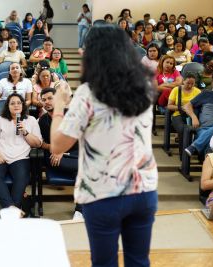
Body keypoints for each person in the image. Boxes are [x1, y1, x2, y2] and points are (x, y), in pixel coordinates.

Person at [50, 26, 158, 267]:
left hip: (103, 192)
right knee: (139, 261)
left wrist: (59, 104)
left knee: (104, 263)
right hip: (144, 189)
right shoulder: (145, 87)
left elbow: (57, 144)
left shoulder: (89, 93)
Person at [0, 93, 42, 214]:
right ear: (8, 106)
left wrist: (25, 132)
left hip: (20, 157)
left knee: (22, 178)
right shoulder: (0, 120)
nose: (16, 105)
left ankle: (11, 210)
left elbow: (37, 143)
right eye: (12, 103)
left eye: (19, 102)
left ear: (23, 105)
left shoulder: (31, 120)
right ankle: (13, 209)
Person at [38, 87, 81, 216]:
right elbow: (44, 144)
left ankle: (80, 209)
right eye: (44, 100)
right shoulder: (43, 120)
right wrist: (57, 150)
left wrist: (62, 150)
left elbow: (78, 138)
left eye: (50, 98)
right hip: (55, 157)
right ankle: (81, 210)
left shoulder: (70, 114)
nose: (47, 102)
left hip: (74, 153)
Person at [167, 73, 201, 154]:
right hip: (178, 114)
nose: (190, 86)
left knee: (198, 130)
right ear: (183, 81)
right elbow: (169, 106)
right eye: (188, 83)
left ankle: (195, 151)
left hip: (193, 115)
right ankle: (183, 155)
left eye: (192, 84)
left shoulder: (197, 91)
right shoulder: (176, 90)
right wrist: (181, 108)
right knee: (183, 130)